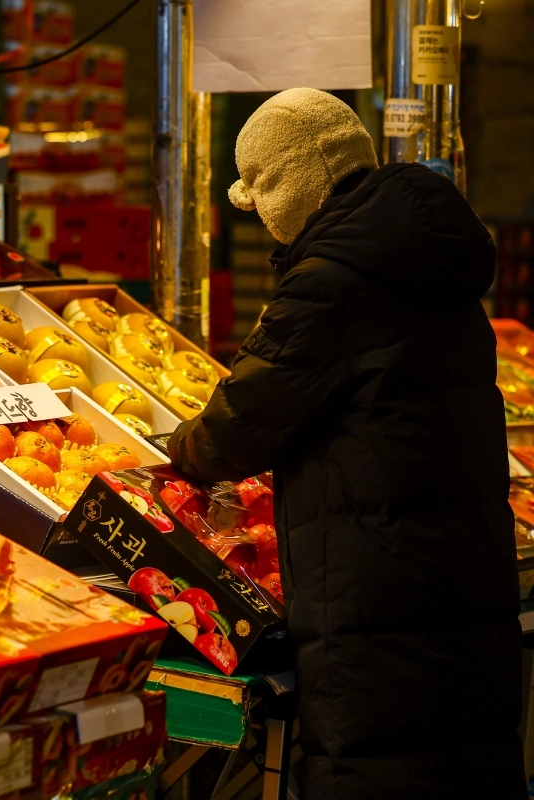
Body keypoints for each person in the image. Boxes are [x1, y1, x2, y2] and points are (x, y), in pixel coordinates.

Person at [167, 88, 525, 799]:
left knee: (376, 768)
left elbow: (237, 426)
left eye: (261, 194)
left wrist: (177, 448)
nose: (261, 218)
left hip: (375, 595)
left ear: (293, 183)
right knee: (462, 760)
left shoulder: (330, 283)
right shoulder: (432, 263)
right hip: (463, 576)